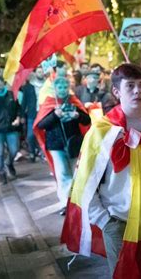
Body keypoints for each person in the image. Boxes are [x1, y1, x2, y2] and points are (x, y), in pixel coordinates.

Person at [61, 64, 141, 278]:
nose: (137, 91)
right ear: (116, 91)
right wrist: (105, 221)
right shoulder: (102, 132)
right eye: (130, 86)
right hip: (119, 224)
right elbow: (84, 183)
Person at [35, 77, 90, 215]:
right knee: (63, 174)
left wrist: (77, 115)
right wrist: (55, 115)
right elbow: (41, 125)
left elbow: (87, 120)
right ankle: (66, 203)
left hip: (74, 143)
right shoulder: (49, 103)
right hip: (56, 145)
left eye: (65, 87)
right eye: (59, 87)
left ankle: (78, 201)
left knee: (76, 173)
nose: (63, 90)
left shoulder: (74, 102)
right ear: (55, 89)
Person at [0, 76, 22, 184]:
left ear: (3, 84)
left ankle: (9, 162)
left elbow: (18, 108)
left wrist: (18, 118)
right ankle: (2, 173)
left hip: (11, 127)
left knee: (14, 150)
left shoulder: (11, 94)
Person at [20, 67, 45, 162]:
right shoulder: (28, 87)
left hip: (43, 113)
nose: (41, 73)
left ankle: (42, 152)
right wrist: (22, 115)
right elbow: (24, 102)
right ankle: (32, 151)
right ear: (35, 73)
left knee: (43, 134)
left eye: (42, 71)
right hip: (32, 114)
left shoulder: (47, 84)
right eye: (39, 71)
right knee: (30, 135)